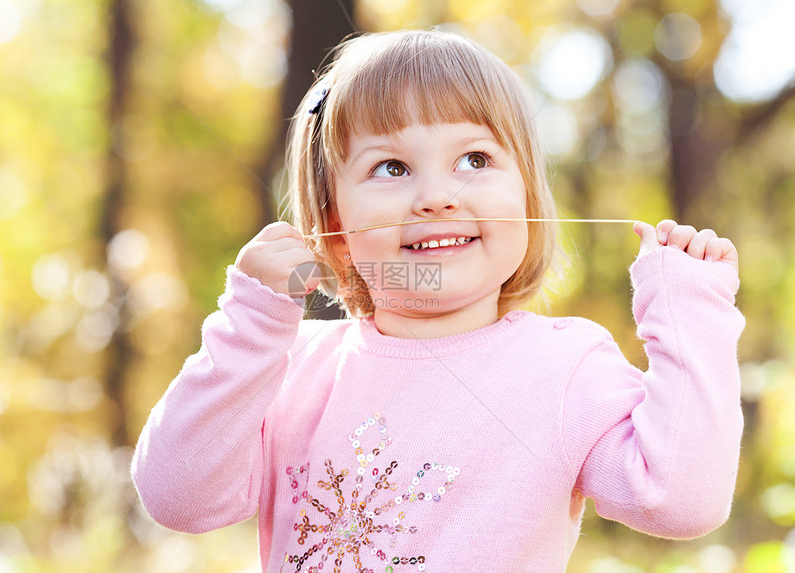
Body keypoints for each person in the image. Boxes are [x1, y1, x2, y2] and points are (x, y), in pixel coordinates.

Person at [131, 29, 744, 572]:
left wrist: (691, 312)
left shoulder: (565, 369)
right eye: (391, 167)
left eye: (474, 159)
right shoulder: (294, 366)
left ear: (528, 198)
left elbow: (683, 499)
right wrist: (253, 323)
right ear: (331, 223)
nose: (437, 196)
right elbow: (177, 496)